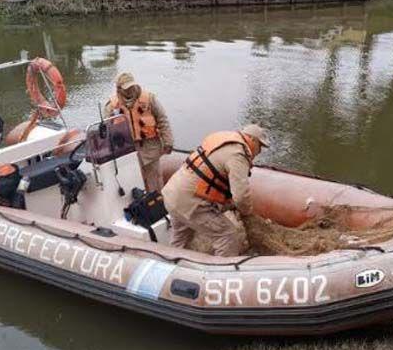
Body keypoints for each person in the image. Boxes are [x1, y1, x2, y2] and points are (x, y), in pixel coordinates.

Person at [162, 124, 270, 257]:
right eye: (260, 146)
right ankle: (222, 272)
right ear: (252, 140)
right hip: (190, 203)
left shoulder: (226, 139)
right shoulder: (238, 155)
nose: (259, 151)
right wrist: (247, 212)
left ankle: (171, 262)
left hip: (172, 194)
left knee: (180, 238)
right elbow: (241, 196)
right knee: (228, 236)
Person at [103, 72, 174, 193]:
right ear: (119, 88)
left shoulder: (149, 98)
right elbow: (106, 128)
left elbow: (162, 120)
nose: (131, 89)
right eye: (127, 87)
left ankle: (158, 204)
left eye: (132, 86)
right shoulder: (112, 105)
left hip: (150, 147)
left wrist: (168, 142)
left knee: (155, 180)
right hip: (128, 151)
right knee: (134, 180)